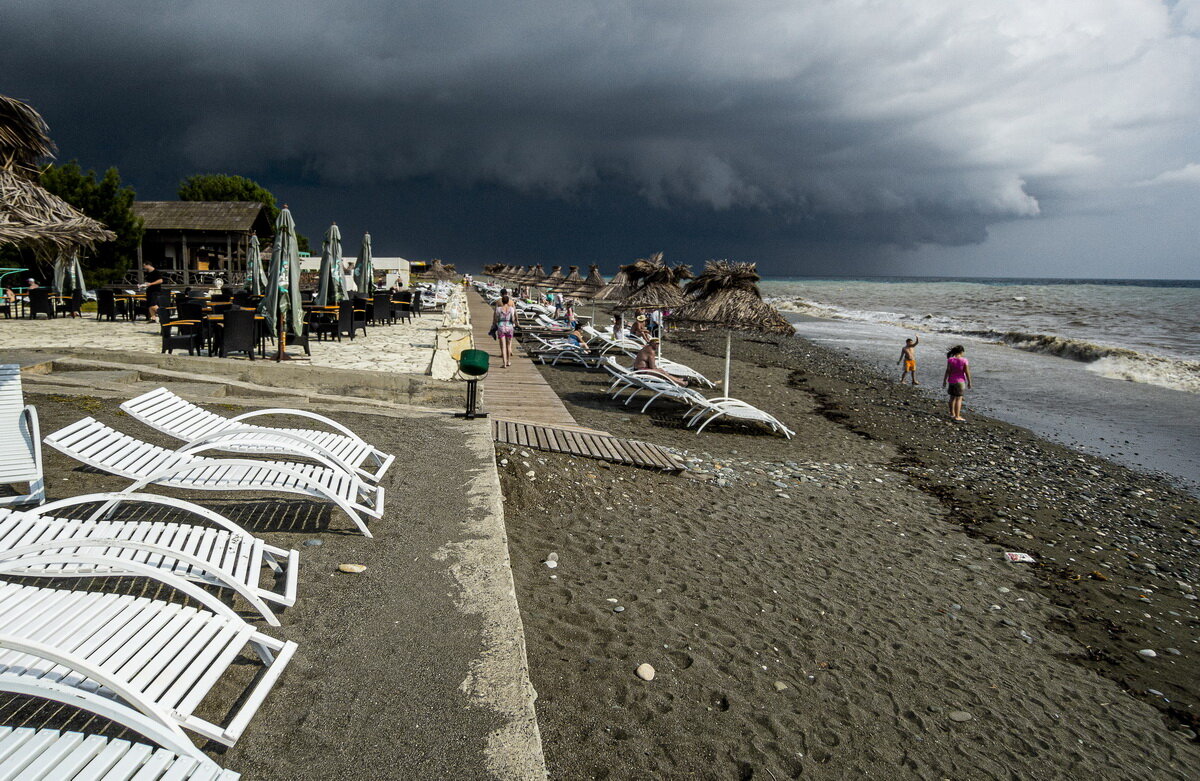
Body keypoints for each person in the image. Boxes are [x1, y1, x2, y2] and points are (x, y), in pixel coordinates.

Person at [942, 345, 972, 422]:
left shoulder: (950, 359)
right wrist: (969, 381)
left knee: (952, 398)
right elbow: (967, 372)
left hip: (951, 381)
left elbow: (948, 371)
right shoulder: (964, 360)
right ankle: (957, 416)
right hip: (960, 381)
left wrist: (944, 380)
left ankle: (952, 414)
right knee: (959, 399)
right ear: (961, 352)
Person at [493, 293, 517, 368]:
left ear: (502, 301)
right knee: (508, 345)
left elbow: (496, 319)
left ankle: (504, 364)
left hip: (501, 327)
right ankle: (509, 361)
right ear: (508, 301)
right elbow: (513, 319)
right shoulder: (511, 309)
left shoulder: (498, 309)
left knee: (503, 346)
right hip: (509, 327)